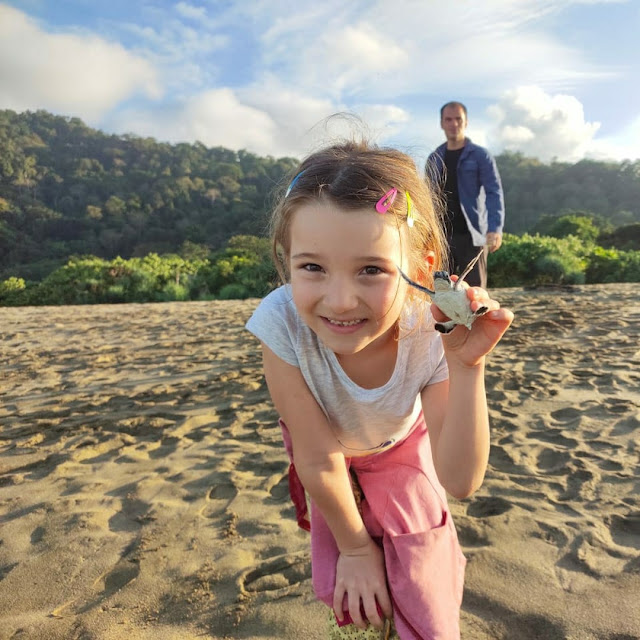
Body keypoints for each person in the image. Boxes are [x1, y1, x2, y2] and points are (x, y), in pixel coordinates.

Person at [246, 140, 513, 639]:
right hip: (326, 458)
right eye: (312, 267)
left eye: (371, 269)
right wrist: (353, 549)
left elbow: (458, 480)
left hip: (402, 450)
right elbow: (319, 457)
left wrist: (466, 367)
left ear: (418, 269)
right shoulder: (280, 323)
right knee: (357, 605)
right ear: (287, 261)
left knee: (423, 592)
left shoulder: (427, 331)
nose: (341, 300)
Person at [427, 101, 505, 289]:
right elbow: (427, 198)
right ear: (442, 123)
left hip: (473, 233)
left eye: (458, 119)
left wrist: (495, 227)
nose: (454, 124)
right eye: (448, 119)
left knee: (475, 291)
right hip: (442, 235)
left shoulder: (480, 156)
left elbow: (493, 191)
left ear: (466, 122)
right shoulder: (434, 158)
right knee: (442, 290)